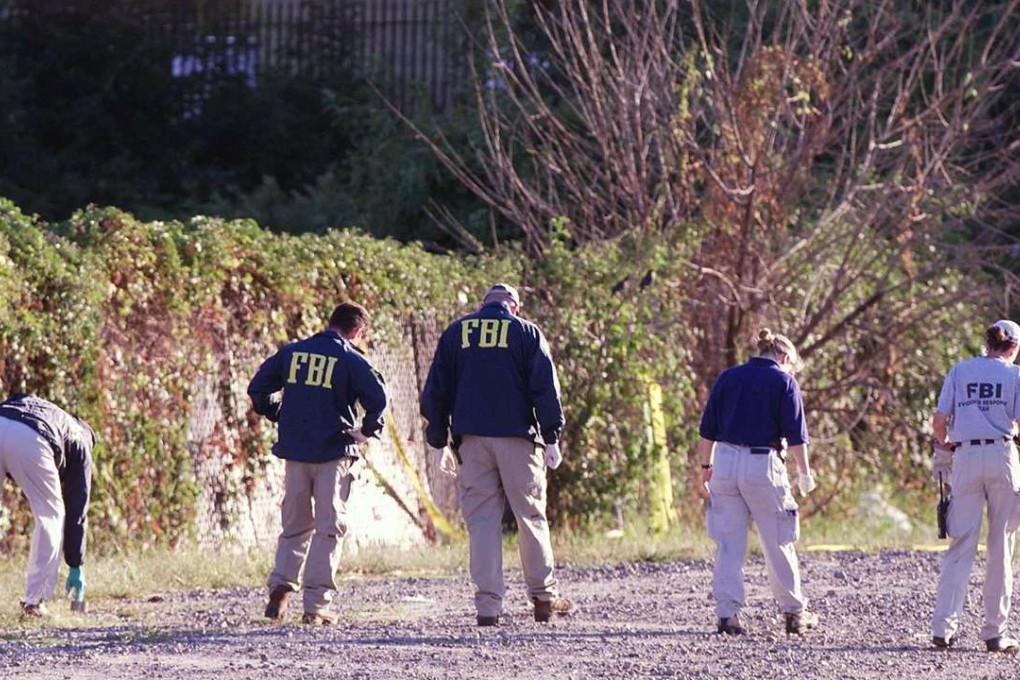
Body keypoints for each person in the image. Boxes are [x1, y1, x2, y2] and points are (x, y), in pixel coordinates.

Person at [420, 283, 573, 626]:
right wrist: (551, 437)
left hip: (471, 440)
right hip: (519, 439)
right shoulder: (526, 333)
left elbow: (436, 391)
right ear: (514, 307)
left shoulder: (457, 332)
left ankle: (488, 607)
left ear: (483, 305)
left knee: (483, 523)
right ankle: (544, 598)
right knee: (530, 517)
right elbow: (545, 387)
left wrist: (438, 440)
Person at [248, 301, 387, 625]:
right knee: (328, 528)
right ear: (356, 331)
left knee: (294, 526)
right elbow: (379, 399)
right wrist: (366, 431)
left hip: (295, 454)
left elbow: (258, 389)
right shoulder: (351, 359)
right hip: (333, 454)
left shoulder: (292, 353)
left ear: (330, 322)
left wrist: (279, 413)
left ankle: (281, 583)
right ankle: (316, 604)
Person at [697, 329, 819, 636]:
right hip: (761, 464)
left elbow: (707, 430)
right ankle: (794, 612)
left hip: (724, 461)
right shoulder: (784, 381)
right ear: (784, 357)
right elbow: (796, 438)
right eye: (792, 365)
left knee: (728, 544)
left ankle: (727, 615)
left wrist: (705, 467)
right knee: (779, 539)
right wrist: (805, 473)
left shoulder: (728, 377)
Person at [930, 319, 1020, 654]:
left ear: (987, 344)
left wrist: (948, 444)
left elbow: (939, 422)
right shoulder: (1015, 376)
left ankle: (943, 629)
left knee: (961, 545)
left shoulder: (960, 371)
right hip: (1002, 455)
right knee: (1001, 546)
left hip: (965, 456)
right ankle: (995, 633)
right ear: (1013, 347)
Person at [0, 393, 96, 617]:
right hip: (30, 437)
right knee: (51, 515)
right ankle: (34, 601)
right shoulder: (81, 444)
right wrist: (76, 565)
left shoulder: (53, 414)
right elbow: (77, 512)